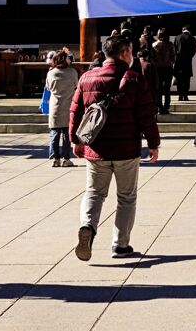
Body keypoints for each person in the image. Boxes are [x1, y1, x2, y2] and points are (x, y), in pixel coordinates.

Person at [71, 33, 160, 261]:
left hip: (96, 149)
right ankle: (120, 245)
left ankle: (88, 227)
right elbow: (146, 115)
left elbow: (76, 111)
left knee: (94, 192)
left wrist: (75, 140)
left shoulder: (87, 78)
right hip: (126, 149)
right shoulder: (134, 79)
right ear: (125, 53)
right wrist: (153, 143)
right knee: (126, 197)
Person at [46, 49, 79, 168]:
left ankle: (55, 158)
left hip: (55, 106)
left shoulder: (51, 73)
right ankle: (66, 158)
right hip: (68, 105)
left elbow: (48, 87)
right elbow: (77, 85)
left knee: (54, 134)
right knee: (66, 135)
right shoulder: (72, 72)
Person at [150, 28, 177, 115]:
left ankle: (159, 107)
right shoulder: (170, 44)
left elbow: (152, 58)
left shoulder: (154, 45)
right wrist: (170, 62)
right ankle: (166, 107)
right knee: (167, 89)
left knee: (159, 89)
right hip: (168, 68)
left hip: (157, 69)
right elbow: (173, 57)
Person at [172, 25, 196, 102]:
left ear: (183, 30)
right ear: (189, 30)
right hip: (187, 62)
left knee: (179, 79)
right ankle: (185, 95)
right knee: (187, 79)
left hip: (178, 62)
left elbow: (174, 49)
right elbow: (193, 51)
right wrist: (189, 57)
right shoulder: (192, 38)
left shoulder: (177, 37)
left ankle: (180, 95)